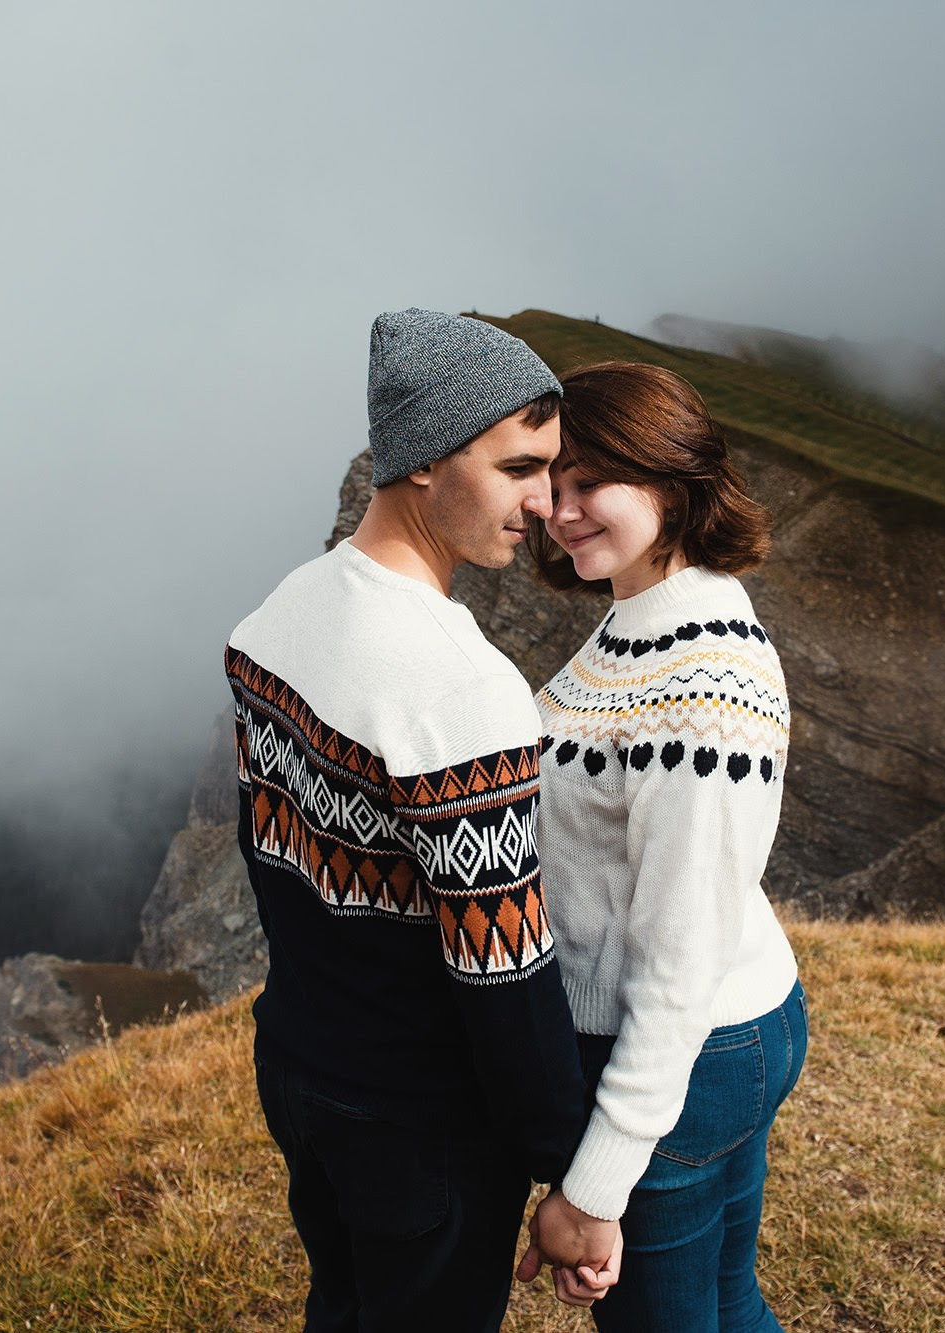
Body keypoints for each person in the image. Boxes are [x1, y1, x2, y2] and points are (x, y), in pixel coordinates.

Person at [227, 309, 618, 1331]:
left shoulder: (279, 612)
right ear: (422, 463)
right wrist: (566, 1170)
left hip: (302, 1069)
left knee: (343, 1304)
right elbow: (502, 968)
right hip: (418, 1118)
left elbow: (271, 854)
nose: (544, 504)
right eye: (518, 467)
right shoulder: (457, 693)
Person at [518, 361, 808, 1331]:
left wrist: (592, 1189)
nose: (561, 511)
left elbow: (677, 959)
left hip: (684, 1056)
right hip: (732, 1028)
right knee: (727, 1300)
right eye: (552, 485)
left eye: (588, 480)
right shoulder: (646, 618)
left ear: (667, 476)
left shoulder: (702, 678)